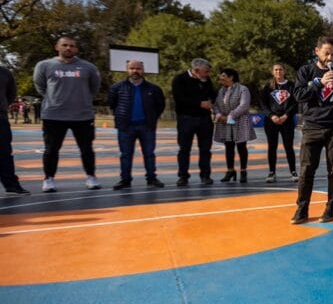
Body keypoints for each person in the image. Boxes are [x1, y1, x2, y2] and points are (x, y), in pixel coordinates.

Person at [292, 37, 333, 224]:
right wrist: (319, 83)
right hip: (312, 127)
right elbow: (299, 95)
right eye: (326, 52)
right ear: (317, 51)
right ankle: (302, 209)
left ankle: (331, 208)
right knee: (307, 169)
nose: (330, 57)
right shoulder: (306, 71)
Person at [33, 35, 101, 192]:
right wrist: (56, 99)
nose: (68, 48)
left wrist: (81, 100)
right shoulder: (44, 65)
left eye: (72, 46)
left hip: (82, 116)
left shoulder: (88, 67)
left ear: (76, 49)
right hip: (54, 115)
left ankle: (91, 177)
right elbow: (41, 87)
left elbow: (94, 88)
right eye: (65, 45)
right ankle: (48, 179)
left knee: (87, 149)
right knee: (51, 149)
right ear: (57, 47)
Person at [107, 60, 166, 190]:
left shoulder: (153, 89)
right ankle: (125, 180)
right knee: (126, 154)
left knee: (149, 154)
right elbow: (112, 104)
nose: (135, 71)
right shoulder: (117, 88)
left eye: (138, 68)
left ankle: (151, 178)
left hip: (147, 126)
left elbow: (160, 106)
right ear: (127, 70)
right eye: (132, 68)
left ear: (143, 70)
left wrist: (151, 118)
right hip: (126, 127)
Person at [171, 58, 216, 186]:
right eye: (205, 72)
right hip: (186, 118)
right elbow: (179, 98)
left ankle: (205, 175)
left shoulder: (207, 80)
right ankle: (183, 176)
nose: (207, 74)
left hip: (205, 119)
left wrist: (212, 102)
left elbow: (213, 94)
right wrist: (199, 103)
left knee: (205, 149)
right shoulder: (179, 79)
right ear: (196, 70)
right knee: (184, 149)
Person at [213, 68, 256, 183]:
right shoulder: (221, 91)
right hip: (225, 122)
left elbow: (244, 105)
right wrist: (218, 115)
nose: (221, 78)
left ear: (231, 77)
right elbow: (216, 104)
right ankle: (230, 170)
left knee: (241, 146)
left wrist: (230, 116)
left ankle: (243, 171)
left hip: (240, 120)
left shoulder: (243, 89)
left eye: (223, 76)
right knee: (228, 146)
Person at [260, 63, 298, 183]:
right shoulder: (268, 86)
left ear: (284, 71)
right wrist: (272, 116)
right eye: (276, 70)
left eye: (280, 70)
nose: (278, 72)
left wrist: (287, 115)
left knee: (289, 147)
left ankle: (293, 171)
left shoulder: (291, 85)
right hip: (272, 121)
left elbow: (295, 103)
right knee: (272, 147)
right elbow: (263, 103)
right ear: (272, 72)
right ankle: (272, 172)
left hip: (287, 121)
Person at [0, 65, 29, 195]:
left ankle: (11, 184)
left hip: (0, 117)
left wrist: (3, 104)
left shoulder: (5, 72)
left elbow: (11, 94)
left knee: (5, 152)